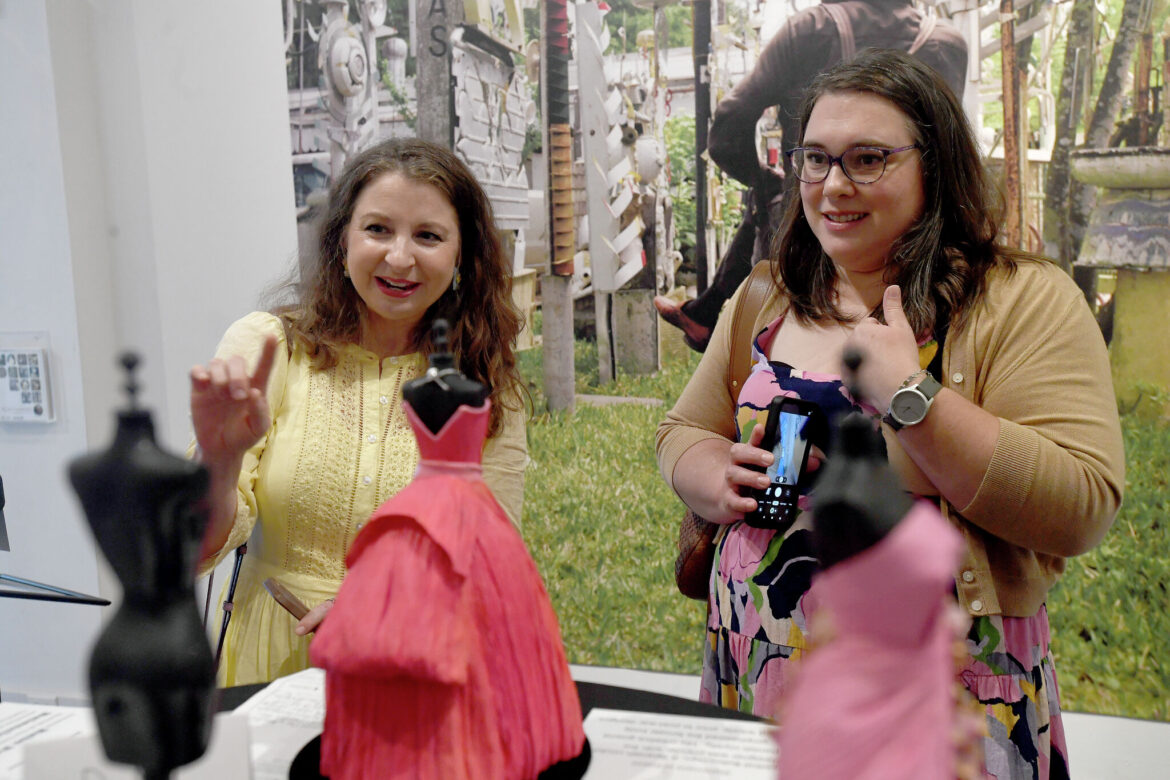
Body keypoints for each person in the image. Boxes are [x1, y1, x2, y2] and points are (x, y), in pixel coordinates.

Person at [656, 49, 1124, 779]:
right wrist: (708, 473)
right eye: (815, 159)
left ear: (933, 166)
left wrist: (911, 396)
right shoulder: (767, 294)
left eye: (867, 159)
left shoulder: (1020, 300)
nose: (833, 185)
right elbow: (682, 429)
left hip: (949, 707)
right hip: (759, 673)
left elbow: (1080, 504)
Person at [190, 137, 529, 687]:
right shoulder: (269, 347)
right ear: (341, 239)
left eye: (428, 236)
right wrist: (219, 459)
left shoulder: (483, 380)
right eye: (377, 229)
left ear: (461, 254)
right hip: (273, 664)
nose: (399, 257)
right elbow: (194, 548)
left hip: (418, 666)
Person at [655, 0, 967, 351]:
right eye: (819, 156)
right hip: (921, 245)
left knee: (779, 362)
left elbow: (727, 130)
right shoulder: (946, 43)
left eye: (867, 159)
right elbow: (948, 151)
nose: (840, 182)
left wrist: (765, 179)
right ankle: (705, 311)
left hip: (806, 239)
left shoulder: (810, 31)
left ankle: (707, 313)